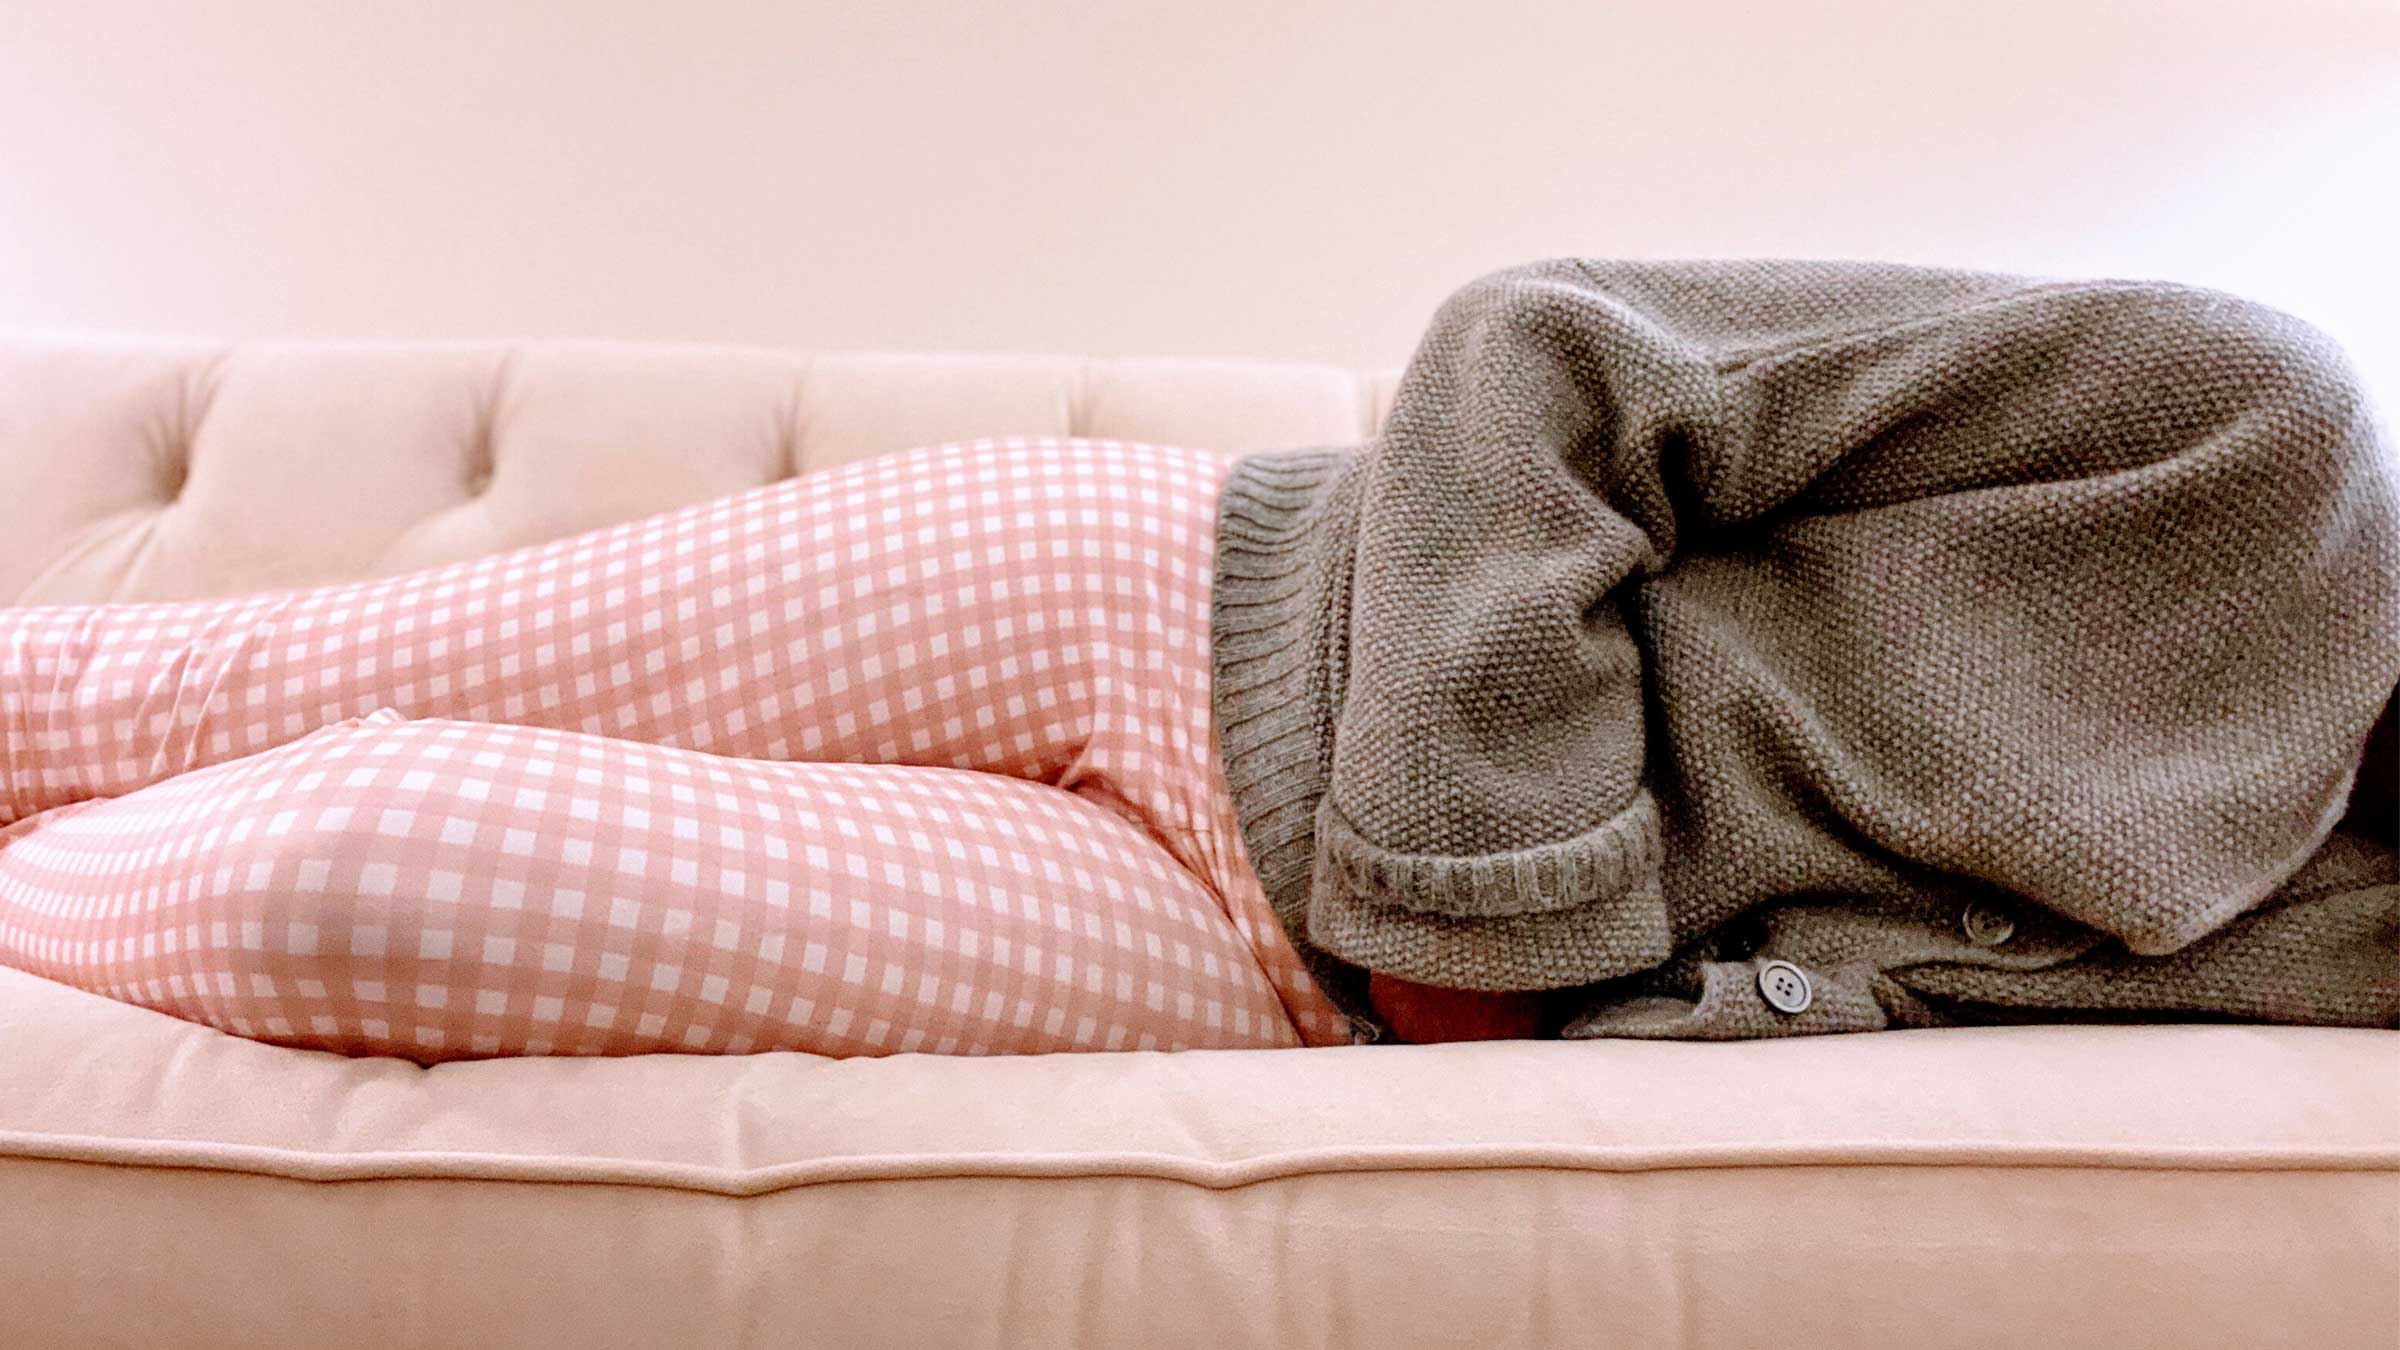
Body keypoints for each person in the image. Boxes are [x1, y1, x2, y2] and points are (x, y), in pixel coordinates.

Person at [3, 257, 2395, 1062]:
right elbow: (1539, 355)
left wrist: (1505, 1006)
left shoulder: (2364, 965)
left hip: (1269, 983)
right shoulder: (2254, 430)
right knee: (145, 698)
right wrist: (1499, 911)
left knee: (373, 880)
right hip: (1178, 605)